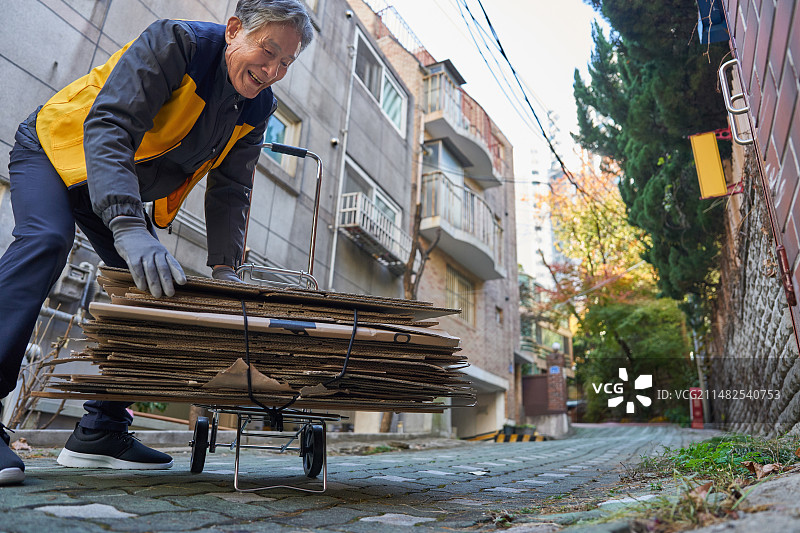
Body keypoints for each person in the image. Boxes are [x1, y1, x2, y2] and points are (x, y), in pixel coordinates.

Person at [0, 0, 313, 485]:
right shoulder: (177, 43)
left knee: (157, 293)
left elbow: (232, 188)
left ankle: (101, 429)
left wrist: (226, 271)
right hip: (56, 149)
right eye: (268, 50)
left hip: (111, 182)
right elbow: (109, 126)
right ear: (234, 30)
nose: (273, 70)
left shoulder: (258, 106)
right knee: (46, 240)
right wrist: (127, 225)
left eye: (286, 63)